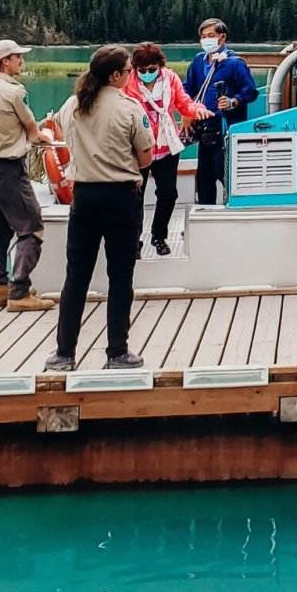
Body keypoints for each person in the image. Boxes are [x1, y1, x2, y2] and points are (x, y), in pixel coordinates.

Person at [45, 45, 154, 371]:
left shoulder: (72, 105)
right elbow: (146, 157)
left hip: (84, 198)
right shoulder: (129, 109)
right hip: (121, 198)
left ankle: (64, 353)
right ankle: (117, 352)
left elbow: (63, 132)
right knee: (120, 276)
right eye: (130, 70)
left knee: (76, 276)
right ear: (116, 75)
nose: (133, 75)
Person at [0, 39, 56, 312]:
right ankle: (20, 291)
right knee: (32, 227)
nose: (21, 61)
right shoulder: (14, 92)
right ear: (5, 61)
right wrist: (46, 137)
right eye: (18, 57)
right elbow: (31, 129)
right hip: (9, 168)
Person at [127, 42, 206, 256]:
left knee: (168, 193)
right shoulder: (128, 81)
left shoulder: (170, 78)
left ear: (159, 66)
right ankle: (134, 240)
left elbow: (184, 103)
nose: (147, 74)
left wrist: (197, 110)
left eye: (152, 70)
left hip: (167, 144)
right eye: (142, 71)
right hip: (138, 147)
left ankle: (159, 236)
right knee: (135, 196)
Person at [182, 18, 258, 205]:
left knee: (226, 175)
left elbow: (250, 91)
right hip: (204, 127)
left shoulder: (235, 63)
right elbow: (186, 89)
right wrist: (186, 111)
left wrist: (233, 101)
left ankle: (234, 213)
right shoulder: (199, 61)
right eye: (203, 36)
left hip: (226, 129)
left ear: (222, 38)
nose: (206, 40)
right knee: (204, 178)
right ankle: (204, 217)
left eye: (211, 36)